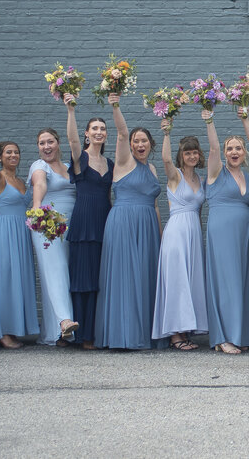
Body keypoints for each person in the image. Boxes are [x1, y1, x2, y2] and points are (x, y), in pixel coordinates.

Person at [94, 93, 163, 350]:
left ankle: (144, 332)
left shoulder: (153, 170)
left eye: (144, 140)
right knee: (124, 276)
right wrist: (115, 104)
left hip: (147, 227)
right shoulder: (124, 162)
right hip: (124, 222)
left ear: (150, 144)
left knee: (145, 276)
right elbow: (121, 133)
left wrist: (160, 233)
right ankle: (123, 335)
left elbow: (156, 205)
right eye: (136, 141)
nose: (139, 144)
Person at [201, 106, 249, 355]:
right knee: (225, 281)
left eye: (238, 148)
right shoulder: (216, 172)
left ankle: (241, 333)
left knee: (243, 282)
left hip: (245, 236)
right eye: (230, 148)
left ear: (244, 153)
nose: (234, 152)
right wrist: (209, 120)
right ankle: (223, 336)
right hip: (222, 233)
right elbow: (213, 148)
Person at [0, 137, 38, 348]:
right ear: (0, 157)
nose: (13, 156)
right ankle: (0, 331)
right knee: (3, 280)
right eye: (8, 153)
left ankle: (12, 328)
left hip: (21, 232)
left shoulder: (21, 181)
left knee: (17, 280)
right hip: (3, 233)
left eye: (16, 152)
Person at [151, 121, 207, 351]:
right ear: (181, 156)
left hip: (193, 232)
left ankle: (186, 329)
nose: (192, 156)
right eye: (187, 152)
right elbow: (164, 159)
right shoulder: (175, 176)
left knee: (190, 280)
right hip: (176, 232)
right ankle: (175, 335)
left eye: (195, 152)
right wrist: (166, 133)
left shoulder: (200, 180)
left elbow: (200, 210)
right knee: (177, 280)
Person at [62, 93, 112, 349]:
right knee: (82, 278)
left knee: (98, 278)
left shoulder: (110, 162)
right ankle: (80, 335)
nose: (99, 132)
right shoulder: (80, 158)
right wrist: (71, 110)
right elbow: (70, 138)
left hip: (105, 220)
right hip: (84, 221)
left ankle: (95, 332)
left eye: (103, 129)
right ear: (86, 133)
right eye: (94, 128)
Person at [27, 128, 79, 345]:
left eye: (50, 142)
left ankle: (57, 333)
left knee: (64, 272)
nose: (46, 147)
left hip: (72, 226)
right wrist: (37, 209)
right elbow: (40, 184)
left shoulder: (69, 167)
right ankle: (65, 321)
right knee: (54, 271)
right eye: (42, 143)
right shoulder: (39, 166)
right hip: (48, 226)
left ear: (58, 143)